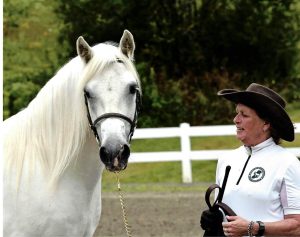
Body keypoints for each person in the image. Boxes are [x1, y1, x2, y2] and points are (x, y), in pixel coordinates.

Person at [200, 83, 300, 236]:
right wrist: (214, 219)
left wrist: (253, 228)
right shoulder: (226, 160)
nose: (236, 120)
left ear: (266, 123)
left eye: (244, 115)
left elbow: (297, 226)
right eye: (236, 113)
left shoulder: (287, 163)